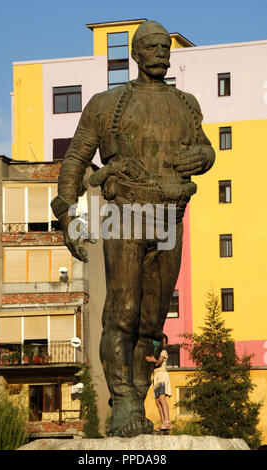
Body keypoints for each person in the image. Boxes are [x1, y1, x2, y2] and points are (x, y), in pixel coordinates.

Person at [51, 20, 215, 437]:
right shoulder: (109, 103)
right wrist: (66, 209)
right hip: (123, 212)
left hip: (168, 215)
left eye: (166, 47)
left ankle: (138, 399)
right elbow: (76, 158)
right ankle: (123, 400)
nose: (161, 52)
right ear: (136, 54)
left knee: (152, 318)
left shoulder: (187, 103)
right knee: (122, 312)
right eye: (152, 47)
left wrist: (203, 156)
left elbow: (205, 147)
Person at [146, 334, 172, 430]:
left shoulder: (163, 352)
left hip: (162, 375)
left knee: (162, 398)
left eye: (165, 342)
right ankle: (163, 423)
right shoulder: (157, 352)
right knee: (157, 402)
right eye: (162, 342)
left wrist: (153, 360)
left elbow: (159, 362)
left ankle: (167, 421)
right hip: (156, 377)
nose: (163, 344)